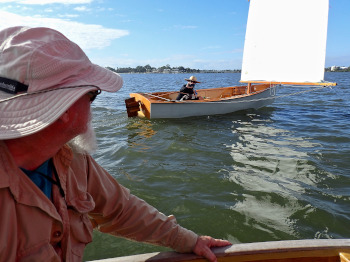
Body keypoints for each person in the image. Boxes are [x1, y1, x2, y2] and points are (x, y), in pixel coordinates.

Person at [0, 26, 231, 262]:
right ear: (63, 109)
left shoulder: (72, 159)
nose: (93, 105)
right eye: (93, 94)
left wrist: (189, 240)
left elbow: (123, 210)